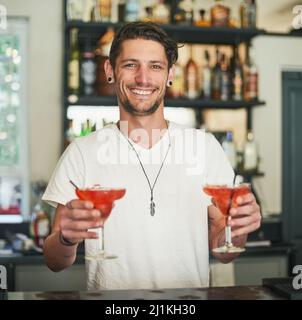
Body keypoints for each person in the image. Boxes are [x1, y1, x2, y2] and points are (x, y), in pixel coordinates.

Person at [43, 22, 261, 290]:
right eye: (131, 65)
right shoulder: (82, 153)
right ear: (110, 71)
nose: (143, 78)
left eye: (155, 66)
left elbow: (224, 252)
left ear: (170, 74)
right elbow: (55, 261)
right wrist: (66, 238)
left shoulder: (204, 148)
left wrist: (237, 230)